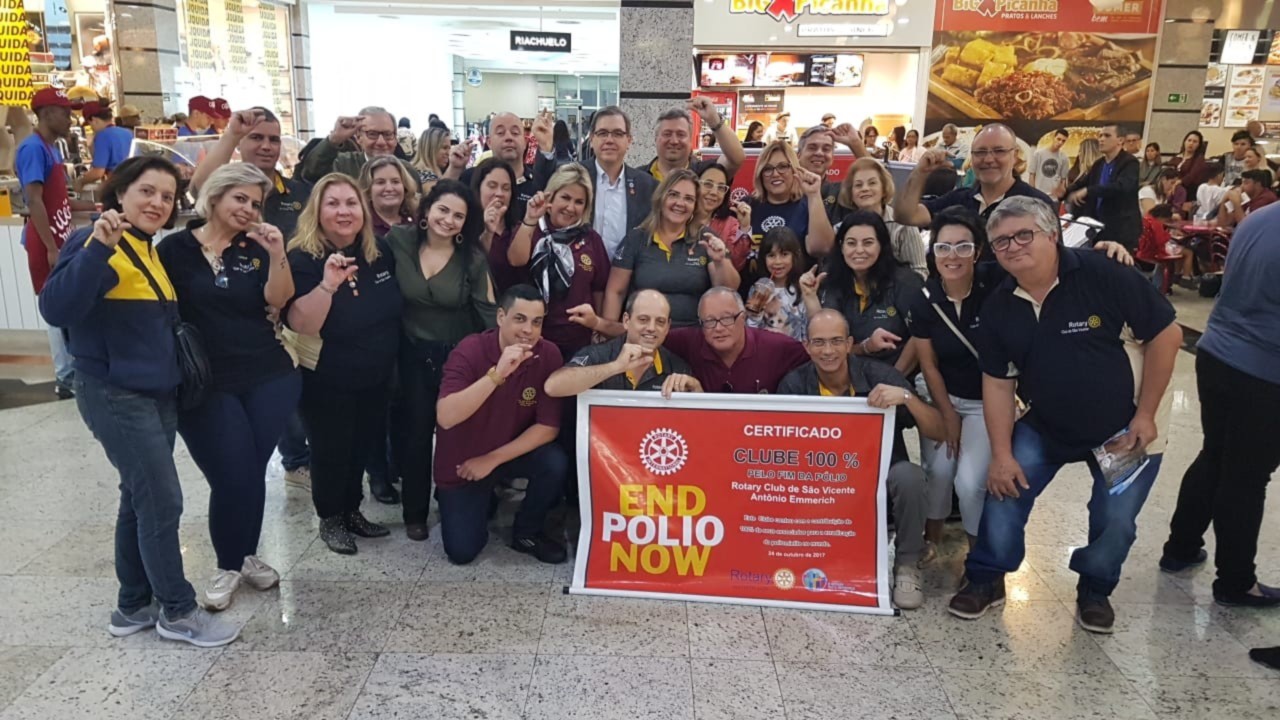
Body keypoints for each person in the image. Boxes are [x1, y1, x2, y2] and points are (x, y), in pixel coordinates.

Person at [949, 196, 1181, 634]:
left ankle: (1095, 588)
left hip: (1127, 424)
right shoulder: (999, 305)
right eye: (1001, 242)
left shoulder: (1104, 273)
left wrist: (1146, 414)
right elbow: (998, 383)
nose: (1013, 246)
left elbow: (1166, 335)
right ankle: (986, 577)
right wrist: (1002, 454)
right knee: (1006, 489)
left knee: (1116, 518)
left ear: (1053, 235)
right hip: (1048, 422)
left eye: (1024, 235)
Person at [39, 156, 239, 647]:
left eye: (167, 196)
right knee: (162, 499)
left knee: (139, 495)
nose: (157, 203)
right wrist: (96, 250)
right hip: (115, 393)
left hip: (155, 393)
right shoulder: (94, 242)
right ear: (120, 193)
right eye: (146, 191)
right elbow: (56, 308)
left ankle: (132, 605)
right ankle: (178, 611)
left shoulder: (145, 247)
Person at [155, 163, 298, 611]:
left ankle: (243, 557)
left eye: (256, 203)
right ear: (214, 196)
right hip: (205, 382)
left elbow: (279, 299)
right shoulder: (174, 249)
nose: (248, 209)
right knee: (232, 473)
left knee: (250, 471)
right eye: (240, 198)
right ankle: (228, 564)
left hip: (269, 375)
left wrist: (277, 253)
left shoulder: (255, 248)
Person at [779, 309, 945, 609]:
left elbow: (939, 430)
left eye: (835, 341)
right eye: (819, 342)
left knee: (910, 477)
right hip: (823, 485)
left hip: (879, 476)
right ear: (806, 346)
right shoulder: (793, 385)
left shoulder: (880, 375)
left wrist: (907, 398)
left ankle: (907, 565)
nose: (828, 351)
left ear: (849, 344)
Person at [1161, 203, 1280, 606]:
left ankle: (1180, 547)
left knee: (1214, 454)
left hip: (1217, 352)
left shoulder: (1258, 218)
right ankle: (1235, 582)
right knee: (1246, 477)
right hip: (1264, 370)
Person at [284, 174, 403, 555]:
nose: (343, 211)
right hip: (327, 377)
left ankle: (352, 510)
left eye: (351, 203)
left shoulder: (377, 250)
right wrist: (328, 286)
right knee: (331, 449)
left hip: (376, 373)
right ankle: (330, 517)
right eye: (332, 203)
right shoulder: (302, 258)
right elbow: (302, 323)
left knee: (361, 446)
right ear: (316, 211)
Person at [384, 179, 496, 542]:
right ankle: (414, 512)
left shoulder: (473, 259)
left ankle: (454, 498)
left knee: (455, 433)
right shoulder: (398, 241)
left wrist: (501, 358)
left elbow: (489, 312)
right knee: (415, 434)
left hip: (457, 357)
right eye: (443, 210)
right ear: (427, 209)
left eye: (458, 216)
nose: (448, 220)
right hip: (411, 352)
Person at [434, 284, 569, 565]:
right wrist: (497, 374)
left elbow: (548, 427)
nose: (528, 330)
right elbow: (445, 417)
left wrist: (493, 459)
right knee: (461, 552)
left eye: (536, 322)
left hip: (506, 453)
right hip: (465, 462)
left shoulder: (549, 354)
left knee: (554, 461)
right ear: (500, 317)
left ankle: (526, 532)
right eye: (519, 319)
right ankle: (474, 499)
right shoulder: (470, 350)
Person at [18, 87, 93, 399]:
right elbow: (34, 201)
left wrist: (95, 206)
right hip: (45, 240)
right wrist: (51, 247)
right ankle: (65, 377)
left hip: (60, 236)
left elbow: (58, 200)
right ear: (46, 114)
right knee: (55, 306)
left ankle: (72, 371)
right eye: (65, 113)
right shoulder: (32, 148)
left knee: (68, 302)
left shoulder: (51, 149)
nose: (70, 119)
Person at [602, 169, 739, 328]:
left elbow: (728, 290)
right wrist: (608, 333)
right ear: (661, 198)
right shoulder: (636, 238)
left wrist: (721, 262)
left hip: (693, 333)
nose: (680, 203)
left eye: (688, 199)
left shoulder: (706, 238)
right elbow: (616, 292)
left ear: (695, 206)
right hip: (644, 334)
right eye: (673, 195)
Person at [507, 163, 611, 359]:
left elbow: (599, 288)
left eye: (579, 202)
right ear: (551, 197)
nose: (570, 207)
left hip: (577, 340)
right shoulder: (530, 228)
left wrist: (597, 325)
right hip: (532, 337)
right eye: (565, 198)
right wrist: (530, 219)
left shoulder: (591, 239)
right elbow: (516, 260)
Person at [801, 211, 924, 372]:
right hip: (844, 374)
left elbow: (921, 336)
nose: (859, 250)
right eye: (851, 243)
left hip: (898, 374)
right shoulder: (831, 281)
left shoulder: (906, 281)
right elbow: (827, 345)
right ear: (841, 246)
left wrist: (894, 378)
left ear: (881, 246)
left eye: (868, 243)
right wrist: (810, 298)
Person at [896, 124, 1055, 230]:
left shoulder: (1038, 205)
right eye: (980, 152)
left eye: (999, 151)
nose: (988, 159)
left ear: (1014, 156)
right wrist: (920, 172)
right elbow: (906, 216)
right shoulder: (958, 200)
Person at [546, 289, 700, 396]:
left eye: (660, 322)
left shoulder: (678, 368)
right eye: (643, 319)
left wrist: (696, 389)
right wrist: (616, 367)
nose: (651, 328)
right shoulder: (598, 355)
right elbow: (553, 387)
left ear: (667, 327)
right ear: (626, 320)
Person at [191, 108, 312, 241]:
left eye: (273, 140)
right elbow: (201, 188)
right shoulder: (226, 190)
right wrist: (232, 134)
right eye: (256, 138)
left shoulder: (304, 194)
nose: (266, 146)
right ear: (239, 143)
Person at [661, 287, 809, 394]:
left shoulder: (776, 346)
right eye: (709, 321)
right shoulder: (689, 342)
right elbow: (655, 337)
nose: (718, 328)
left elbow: (816, 353)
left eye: (727, 319)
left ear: (743, 317)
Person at [575, 106, 657, 258]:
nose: (609, 140)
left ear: (629, 140)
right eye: (602, 133)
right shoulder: (574, 176)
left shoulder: (647, 186)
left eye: (618, 134)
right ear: (591, 139)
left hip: (628, 270)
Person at [834, 157, 927, 277]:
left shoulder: (903, 226)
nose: (865, 189)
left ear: (884, 189)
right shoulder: (840, 229)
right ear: (850, 193)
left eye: (872, 183)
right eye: (858, 185)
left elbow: (919, 271)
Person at [446, 110, 547, 220]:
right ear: (489, 142)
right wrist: (454, 168)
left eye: (515, 133)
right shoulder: (470, 177)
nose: (508, 137)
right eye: (500, 133)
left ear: (525, 142)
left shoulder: (538, 183)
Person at [749, 140, 835, 258]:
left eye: (783, 166)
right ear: (760, 174)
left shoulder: (809, 205)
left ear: (794, 170)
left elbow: (822, 248)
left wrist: (814, 195)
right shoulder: (748, 206)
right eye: (768, 169)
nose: (775, 174)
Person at [1065, 124, 1141, 251]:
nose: (1101, 139)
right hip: (1098, 228)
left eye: (1107, 135)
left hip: (1120, 230)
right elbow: (1083, 183)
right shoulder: (1099, 164)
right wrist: (1065, 191)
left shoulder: (1130, 163)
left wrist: (1088, 191)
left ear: (1120, 140)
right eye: (1100, 136)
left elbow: (1121, 187)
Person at [300, 107, 416, 185]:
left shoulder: (407, 171)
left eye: (387, 134)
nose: (381, 142)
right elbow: (311, 173)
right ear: (359, 137)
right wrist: (334, 139)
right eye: (372, 134)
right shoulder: (344, 165)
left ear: (395, 138)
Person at [645, 99, 745, 182]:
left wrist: (714, 120)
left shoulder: (705, 173)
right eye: (667, 134)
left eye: (681, 134)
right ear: (656, 139)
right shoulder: (639, 178)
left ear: (690, 140)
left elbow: (735, 159)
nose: (674, 141)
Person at [745, 227, 808, 341]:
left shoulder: (802, 288)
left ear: (795, 256)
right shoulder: (758, 288)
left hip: (796, 349)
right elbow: (750, 331)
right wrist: (757, 312)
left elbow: (807, 329)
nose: (778, 261)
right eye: (771, 255)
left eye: (784, 254)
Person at [692, 162, 752, 271]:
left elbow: (736, 265)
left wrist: (744, 228)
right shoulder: (682, 216)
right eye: (708, 184)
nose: (714, 192)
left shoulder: (730, 224)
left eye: (721, 187)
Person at [75, 97, 133, 188]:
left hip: (117, 186)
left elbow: (98, 172)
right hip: (131, 183)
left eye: (90, 124)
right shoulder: (127, 133)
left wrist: (80, 182)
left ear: (94, 120)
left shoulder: (103, 136)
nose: (92, 128)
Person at [358, 155, 418, 238]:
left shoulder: (418, 220)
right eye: (380, 182)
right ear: (368, 190)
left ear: (405, 186)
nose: (389, 188)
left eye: (395, 182)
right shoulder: (360, 225)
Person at [1167, 130, 1212, 198]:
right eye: (1189, 140)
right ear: (1184, 142)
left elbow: (1192, 175)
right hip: (1171, 187)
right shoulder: (1176, 157)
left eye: (1195, 141)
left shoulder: (1199, 159)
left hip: (1188, 190)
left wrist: (1179, 182)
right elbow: (1167, 171)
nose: (1191, 143)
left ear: (1198, 145)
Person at [1029, 129, 1070, 200]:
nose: (1060, 142)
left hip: (1053, 198)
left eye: (1063, 141)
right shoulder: (1038, 154)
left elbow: (1063, 179)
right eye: (1058, 139)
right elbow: (1032, 175)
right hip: (1038, 196)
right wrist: (1032, 193)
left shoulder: (1064, 158)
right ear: (1053, 138)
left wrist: (1061, 190)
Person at [412, 125, 451, 192]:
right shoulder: (428, 178)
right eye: (444, 148)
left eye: (449, 148)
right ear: (431, 149)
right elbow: (438, 197)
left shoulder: (414, 171)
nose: (448, 153)